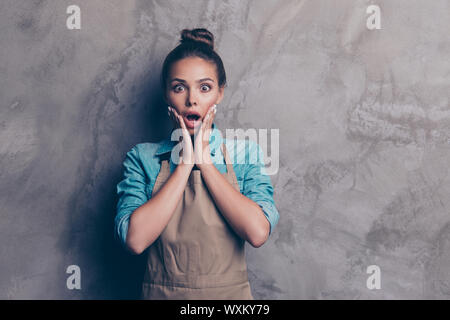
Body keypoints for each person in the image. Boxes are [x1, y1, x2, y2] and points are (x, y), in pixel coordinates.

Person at [115, 28, 280, 300]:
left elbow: (257, 232)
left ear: (220, 93)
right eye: (179, 87)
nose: (192, 99)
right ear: (167, 95)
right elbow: (135, 240)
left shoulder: (245, 155)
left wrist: (205, 163)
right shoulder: (142, 157)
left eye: (205, 88)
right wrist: (183, 166)